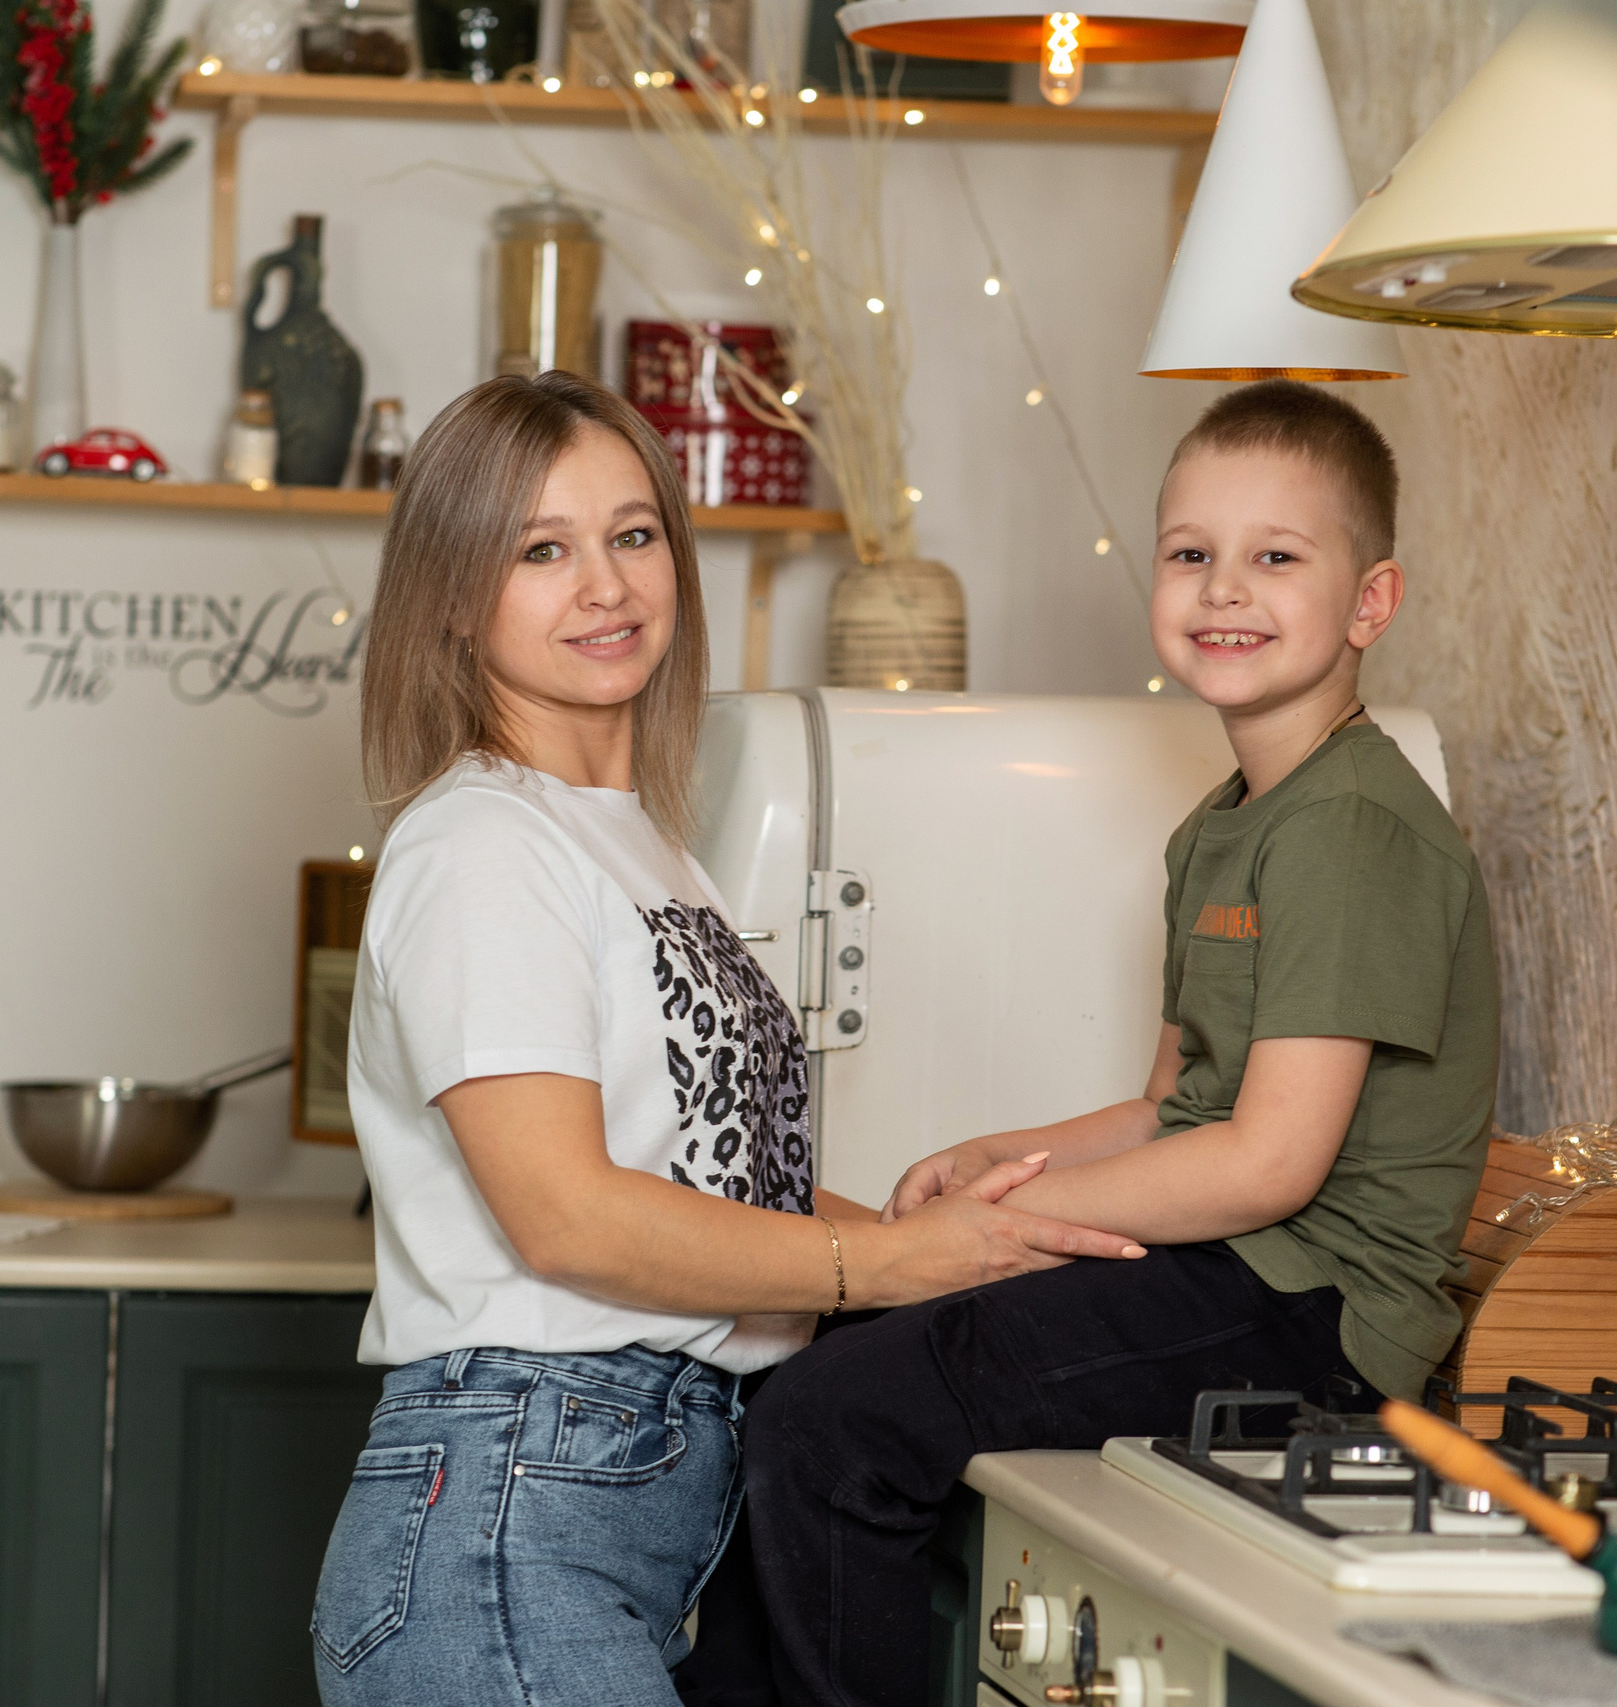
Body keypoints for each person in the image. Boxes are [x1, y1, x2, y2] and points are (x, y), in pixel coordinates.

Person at [309, 370, 1143, 1707]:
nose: (607, 584)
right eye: (543, 549)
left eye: (634, 535)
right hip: (516, 1515)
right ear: (457, 601)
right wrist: (877, 1261)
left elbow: (699, 1175)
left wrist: (931, 1242)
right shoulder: (483, 846)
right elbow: (569, 1218)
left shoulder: (642, 849)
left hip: (601, 1498)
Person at [682, 380, 1501, 1707]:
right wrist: (1002, 1158)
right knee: (811, 1377)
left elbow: (1269, 1164)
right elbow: (1173, 1105)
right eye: (1192, 554)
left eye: (1275, 557)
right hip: (1234, 1273)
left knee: (832, 1423)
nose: (1223, 588)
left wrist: (1011, 1224)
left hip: (1312, 1321)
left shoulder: (1354, 829)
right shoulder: (1226, 825)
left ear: (1372, 602)